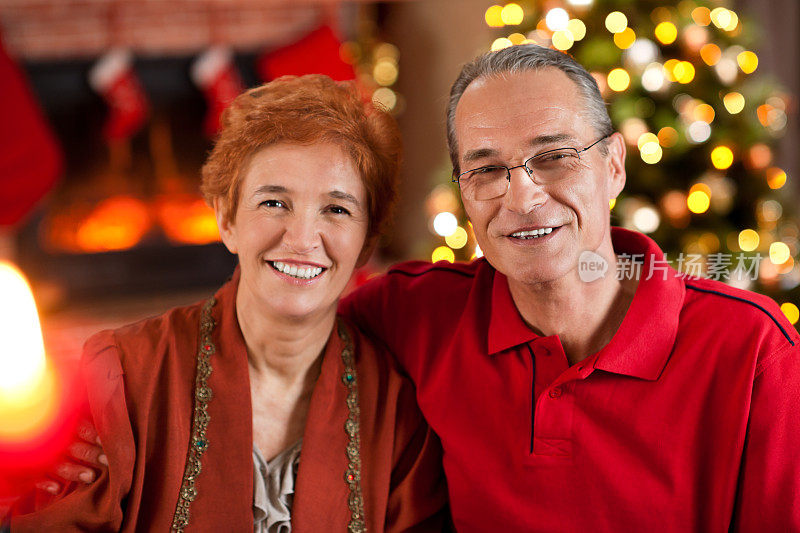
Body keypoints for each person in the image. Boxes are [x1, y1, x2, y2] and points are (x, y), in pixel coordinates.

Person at [41, 44, 800, 531]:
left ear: (614, 167)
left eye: (554, 158)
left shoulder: (753, 352)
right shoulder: (421, 316)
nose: (522, 196)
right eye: (487, 169)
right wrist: (73, 408)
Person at [5, 74, 447, 532]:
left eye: (337, 209)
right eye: (274, 203)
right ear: (227, 218)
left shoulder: (396, 411)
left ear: (367, 239)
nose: (300, 240)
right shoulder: (125, 375)